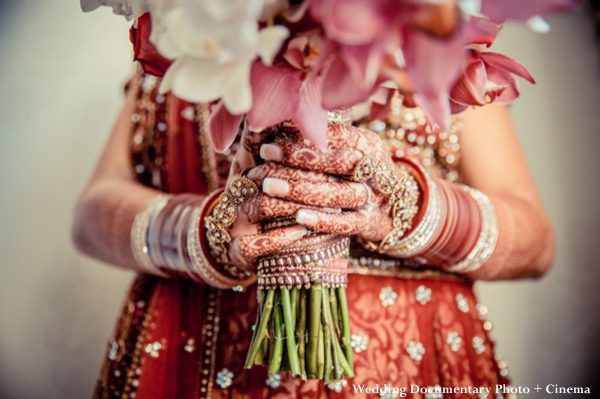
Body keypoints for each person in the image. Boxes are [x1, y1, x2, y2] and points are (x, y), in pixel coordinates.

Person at [72, 17, 554, 399]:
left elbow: (536, 242)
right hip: (193, 352)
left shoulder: (432, 34)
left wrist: (407, 207)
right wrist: (206, 233)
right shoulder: (185, 32)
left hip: (411, 366)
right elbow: (91, 216)